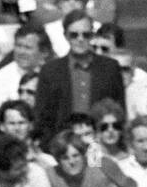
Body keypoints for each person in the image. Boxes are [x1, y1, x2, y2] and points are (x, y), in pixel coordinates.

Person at [35, 8, 126, 142]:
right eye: (74, 35)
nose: (80, 39)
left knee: (95, 164)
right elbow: (43, 116)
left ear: (92, 36)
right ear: (65, 35)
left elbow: (119, 111)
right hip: (63, 145)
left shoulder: (110, 68)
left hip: (98, 143)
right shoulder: (50, 71)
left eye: (86, 34)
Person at [0, 24, 49, 112]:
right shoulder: (0, 78)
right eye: (18, 46)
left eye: (28, 48)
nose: (21, 52)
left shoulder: (52, 74)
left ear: (43, 52)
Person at [46, 126, 122, 187]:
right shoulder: (50, 177)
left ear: (83, 156)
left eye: (75, 156)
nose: (71, 161)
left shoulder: (98, 176)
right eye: (65, 158)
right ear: (58, 160)